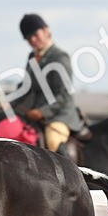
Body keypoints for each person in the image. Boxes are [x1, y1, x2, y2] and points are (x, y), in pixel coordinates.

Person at [11, 13, 84, 155]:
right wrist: (9, 103)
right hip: (34, 115)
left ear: (46, 30)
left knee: (53, 140)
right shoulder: (32, 57)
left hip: (59, 116)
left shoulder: (60, 57)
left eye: (35, 35)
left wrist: (42, 112)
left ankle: (68, 175)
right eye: (28, 38)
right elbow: (26, 87)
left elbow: (63, 94)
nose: (32, 39)